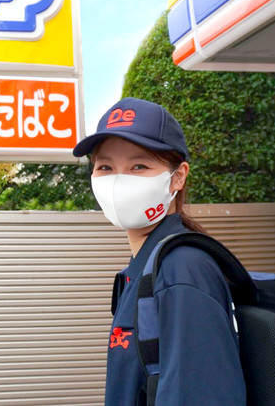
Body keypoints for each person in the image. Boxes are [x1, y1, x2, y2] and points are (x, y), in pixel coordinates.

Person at [73, 97, 245, 405]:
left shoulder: (183, 269)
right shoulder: (142, 269)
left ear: (177, 177)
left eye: (139, 166)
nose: (117, 181)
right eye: (105, 167)